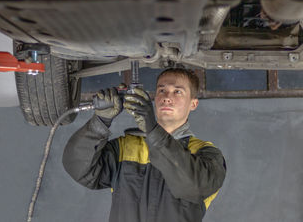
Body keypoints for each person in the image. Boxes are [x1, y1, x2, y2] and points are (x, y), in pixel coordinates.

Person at [62, 68, 226, 222]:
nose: (167, 97)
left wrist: (153, 130)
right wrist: (100, 122)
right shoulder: (126, 147)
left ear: (193, 104)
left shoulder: (206, 154)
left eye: (178, 92)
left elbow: (193, 187)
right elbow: (79, 169)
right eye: (162, 90)